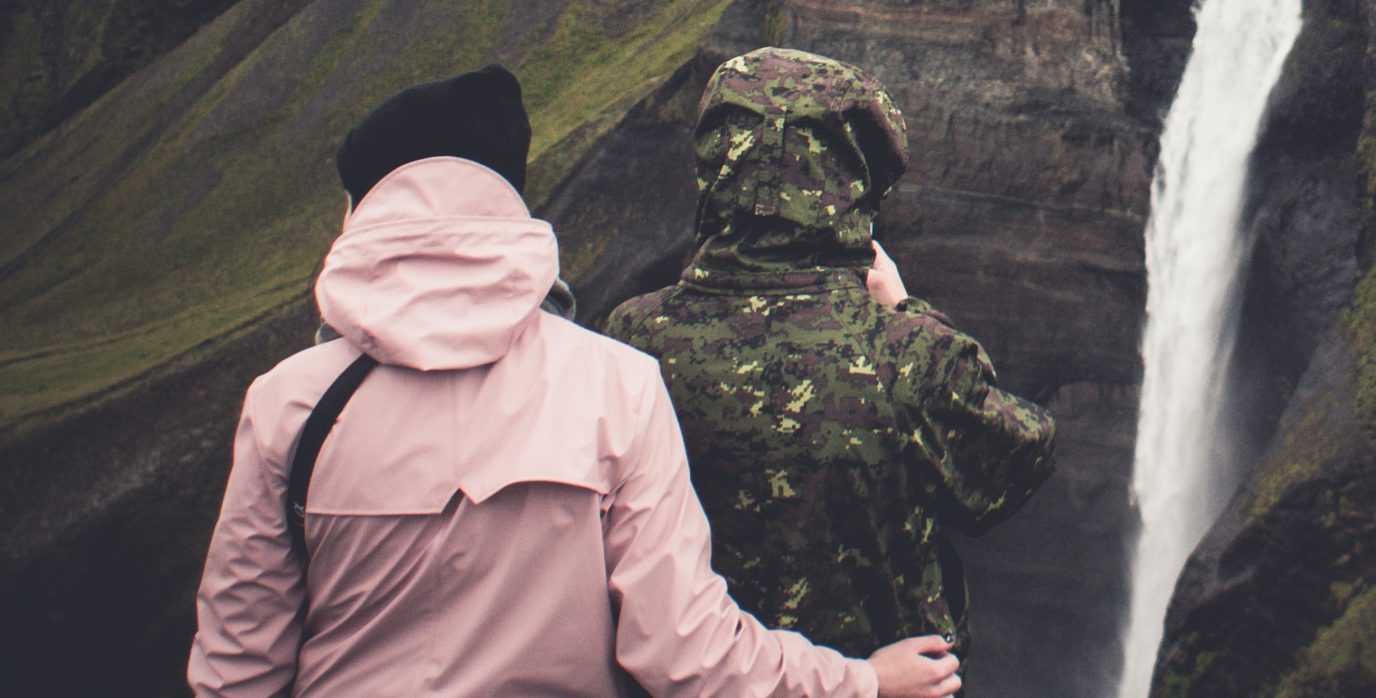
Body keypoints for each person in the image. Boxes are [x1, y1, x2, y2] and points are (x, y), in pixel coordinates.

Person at [188, 63, 964, 698]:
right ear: (506, 205)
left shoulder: (291, 403)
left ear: (366, 213)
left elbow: (236, 674)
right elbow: (686, 651)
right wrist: (860, 681)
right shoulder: (614, 385)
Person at [606, 48, 1056, 663]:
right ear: (855, 182)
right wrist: (905, 309)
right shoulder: (908, 357)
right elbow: (1016, 460)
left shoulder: (633, 339)